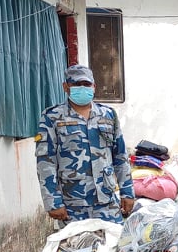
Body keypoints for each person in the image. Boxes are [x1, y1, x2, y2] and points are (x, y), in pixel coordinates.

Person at [35, 64, 135, 225]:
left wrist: (127, 192)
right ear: (66, 87)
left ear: (94, 86)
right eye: (76, 84)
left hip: (106, 201)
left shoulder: (108, 115)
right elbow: (45, 162)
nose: (82, 88)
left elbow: (120, 156)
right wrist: (52, 202)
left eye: (86, 84)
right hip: (72, 204)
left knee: (113, 246)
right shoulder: (52, 117)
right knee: (76, 248)